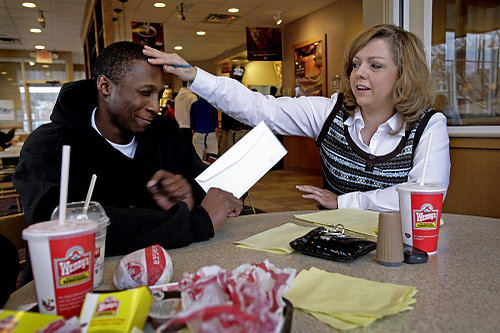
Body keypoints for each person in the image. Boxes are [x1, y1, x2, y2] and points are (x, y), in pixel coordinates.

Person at [143, 24, 451, 212]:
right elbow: (259, 107)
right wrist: (195, 75)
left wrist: (343, 202)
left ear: (404, 75)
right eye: (356, 63)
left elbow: (424, 195)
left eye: (376, 65)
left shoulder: (428, 125)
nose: (360, 73)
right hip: (338, 240)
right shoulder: (329, 112)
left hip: (402, 243)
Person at [14, 41, 243, 256]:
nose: (155, 106)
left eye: (159, 95)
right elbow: (59, 226)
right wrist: (193, 223)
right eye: (145, 93)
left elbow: (209, 193)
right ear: (105, 86)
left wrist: (191, 197)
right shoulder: (48, 145)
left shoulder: (165, 133)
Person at [190, 96, 219, 163]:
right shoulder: (212, 105)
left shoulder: (194, 105)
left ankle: (198, 172)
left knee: (197, 156)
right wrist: (216, 131)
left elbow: (192, 121)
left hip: (198, 132)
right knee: (213, 155)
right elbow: (214, 121)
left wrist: (193, 129)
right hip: (210, 133)